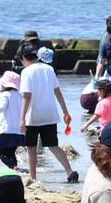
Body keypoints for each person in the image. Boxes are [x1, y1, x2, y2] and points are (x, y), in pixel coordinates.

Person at [18, 44, 76, 183]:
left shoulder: (26, 72)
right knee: (53, 145)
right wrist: (65, 112)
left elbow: (27, 96)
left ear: (23, 58)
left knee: (31, 147)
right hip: (50, 115)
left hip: (33, 117)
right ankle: (70, 171)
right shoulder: (49, 68)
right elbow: (58, 92)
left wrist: (21, 119)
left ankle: (33, 178)